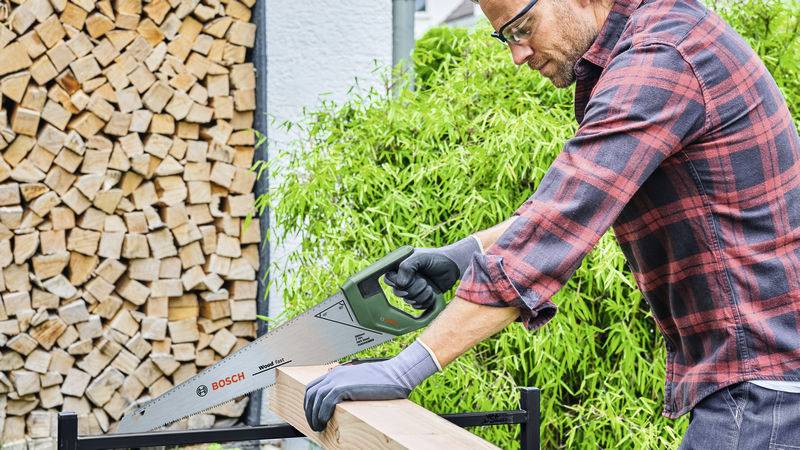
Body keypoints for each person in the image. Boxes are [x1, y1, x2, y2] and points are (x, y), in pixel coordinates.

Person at [303, 0, 800, 446]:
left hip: (763, 385)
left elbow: (557, 224)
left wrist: (403, 370)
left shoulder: (661, 60)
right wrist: (459, 259)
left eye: (522, 28)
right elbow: (576, 207)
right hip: (763, 376)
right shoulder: (657, 38)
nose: (517, 55)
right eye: (506, 38)